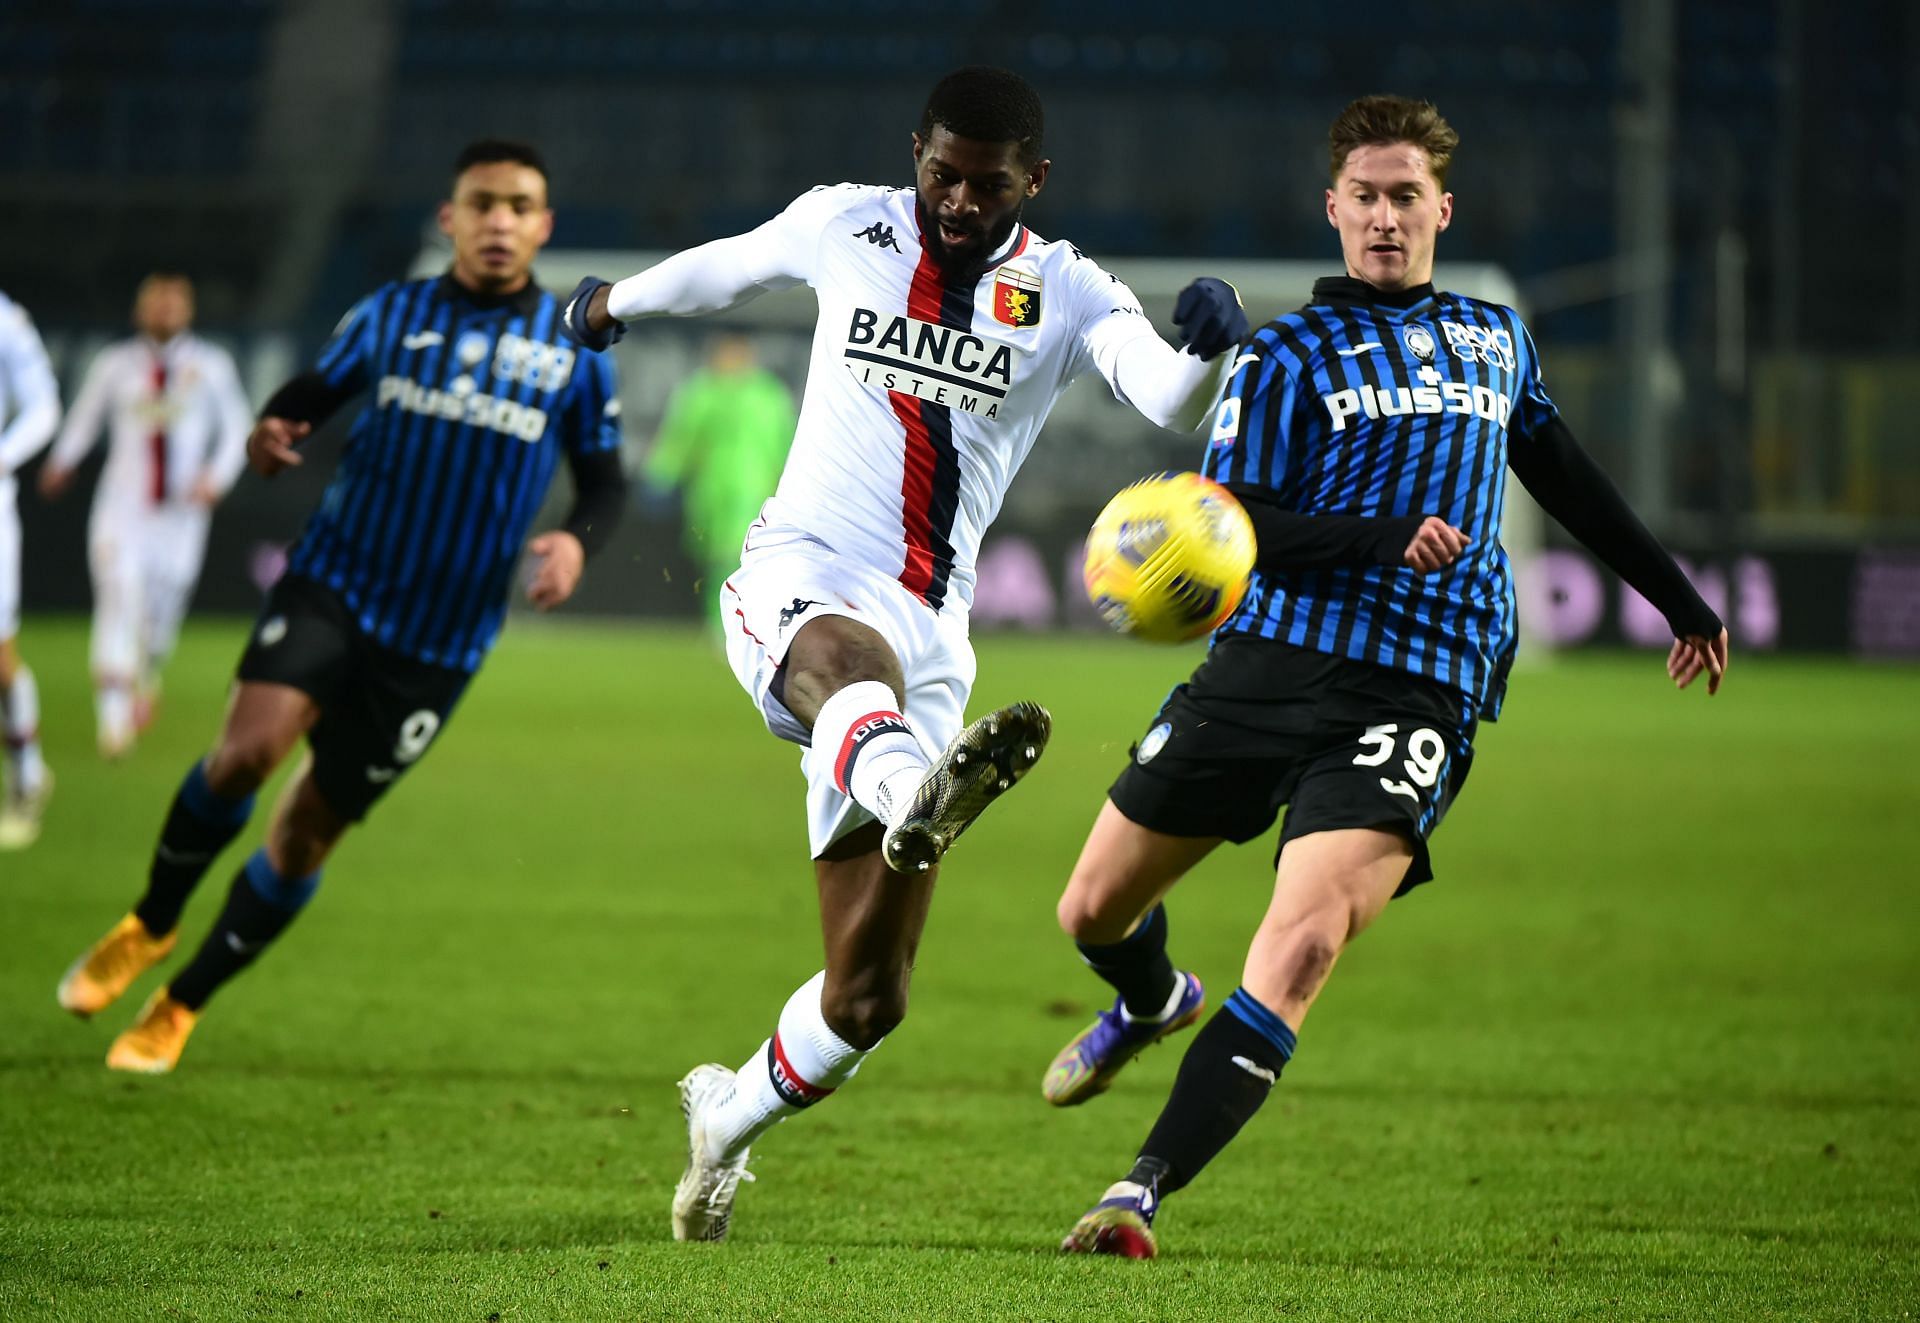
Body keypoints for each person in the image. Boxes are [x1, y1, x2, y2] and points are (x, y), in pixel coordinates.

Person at [562, 65, 1252, 1243]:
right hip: (803, 576)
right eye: (941, 173)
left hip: (935, 633)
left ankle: (724, 1126)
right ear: (916, 155)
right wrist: (613, 300)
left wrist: (1208, 345)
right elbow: (732, 263)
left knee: (869, 995)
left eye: (987, 185)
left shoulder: (1069, 289)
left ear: (1033, 180)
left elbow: (1167, 398)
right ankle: (912, 792)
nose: (958, 201)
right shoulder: (849, 221)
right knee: (844, 668)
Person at [1046, 95, 1730, 1259]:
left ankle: (1135, 1193)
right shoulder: (1283, 357)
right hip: (1269, 663)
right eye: (1363, 195)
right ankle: (1155, 999)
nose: (1383, 216)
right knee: (1092, 909)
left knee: (1303, 943)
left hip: (1418, 683)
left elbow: (1559, 468)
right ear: (1333, 209)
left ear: (1441, 209)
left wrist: (1678, 597)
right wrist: (1377, 535)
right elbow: (1234, 515)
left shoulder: (1494, 340)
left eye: (1405, 195)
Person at [55, 139, 628, 1073]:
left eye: (518, 205)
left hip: (441, 638)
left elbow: (604, 484)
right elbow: (304, 399)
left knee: (306, 831)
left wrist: (574, 541)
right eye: (480, 202)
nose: (498, 221)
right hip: (336, 581)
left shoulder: (577, 347)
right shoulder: (391, 313)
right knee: (244, 754)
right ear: (449, 218)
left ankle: (181, 1001)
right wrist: (272, 432)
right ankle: (151, 921)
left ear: (544, 225)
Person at [40, 273, 254, 758]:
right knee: (118, 596)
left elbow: (239, 424)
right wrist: (61, 461)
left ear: (188, 311)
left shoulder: (212, 366)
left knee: (163, 608)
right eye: (154, 303)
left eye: (172, 304)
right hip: (123, 509)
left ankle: (148, 669)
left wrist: (216, 478)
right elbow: (85, 419)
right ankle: (113, 721)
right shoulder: (115, 365)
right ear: (139, 311)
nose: (162, 312)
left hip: (181, 515)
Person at [643, 333, 795, 630]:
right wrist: (661, 475)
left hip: (756, 491)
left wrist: (789, 486)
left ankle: (739, 624)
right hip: (711, 491)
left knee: (739, 556)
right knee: (717, 560)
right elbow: (681, 440)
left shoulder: (768, 395)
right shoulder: (701, 392)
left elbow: (785, 444)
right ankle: (724, 624)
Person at [0, 290, 61, 850]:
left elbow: (43, 405)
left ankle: (27, 775)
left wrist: (3, 455)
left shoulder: (6, 319)